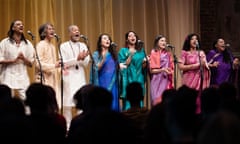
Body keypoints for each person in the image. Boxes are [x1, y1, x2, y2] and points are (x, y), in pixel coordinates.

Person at [59, 24, 90, 130]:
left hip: (80, 77)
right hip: (69, 78)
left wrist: (83, 58)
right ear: (69, 33)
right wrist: (77, 59)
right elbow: (63, 63)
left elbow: (86, 63)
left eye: (78, 30)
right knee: (68, 104)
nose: (77, 32)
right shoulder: (63, 46)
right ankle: (67, 128)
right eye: (74, 30)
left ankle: (81, 128)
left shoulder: (83, 46)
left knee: (81, 102)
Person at [0, 20, 35, 100]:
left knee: (26, 100)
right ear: (13, 28)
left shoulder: (28, 44)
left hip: (22, 75)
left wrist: (23, 58)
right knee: (7, 100)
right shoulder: (4, 43)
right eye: (18, 24)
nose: (21, 26)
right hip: (7, 75)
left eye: (22, 24)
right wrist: (12, 61)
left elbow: (31, 64)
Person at [178, 33, 210, 113]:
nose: (195, 40)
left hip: (199, 79)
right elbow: (181, 67)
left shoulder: (201, 53)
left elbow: (205, 66)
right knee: (188, 98)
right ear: (188, 41)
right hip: (188, 79)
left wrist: (206, 65)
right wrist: (196, 65)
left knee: (198, 98)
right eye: (192, 39)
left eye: (196, 39)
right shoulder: (184, 53)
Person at [90, 33, 120, 112]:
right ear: (100, 42)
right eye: (105, 38)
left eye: (108, 39)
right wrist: (103, 59)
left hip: (113, 83)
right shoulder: (96, 54)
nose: (107, 40)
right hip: (101, 83)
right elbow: (96, 69)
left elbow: (117, 69)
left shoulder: (114, 55)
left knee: (113, 105)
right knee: (102, 105)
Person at [118, 30, 147, 111]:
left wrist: (145, 62)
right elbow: (124, 65)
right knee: (128, 103)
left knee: (139, 101)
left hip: (139, 78)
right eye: (130, 36)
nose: (132, 37)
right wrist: (130, 54)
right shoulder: (123, 51)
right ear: (127, 39)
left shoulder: (141, 51)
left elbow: (143, 67)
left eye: (134, 35)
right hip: (129, 79)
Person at [35, 23, 61, 107]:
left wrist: (61, 69)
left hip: (53, 80)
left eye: (53, 29)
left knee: (53, 105)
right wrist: (54, 66)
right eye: (50, 29)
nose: (52, 31)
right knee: (44, 105)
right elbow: (37, 64)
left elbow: (55, 65)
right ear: (44, 32)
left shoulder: (53, 46)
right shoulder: (40, 45)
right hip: (44, 80)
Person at [148, 35, 174, 106]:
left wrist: (170, 71)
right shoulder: (153, 53)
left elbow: (171, 68)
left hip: (165, 80)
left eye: (165, 41)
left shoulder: (168, 54)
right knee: (156, 101)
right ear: (157, 43)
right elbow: (152, 71)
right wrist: (162, 69)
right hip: (156, 80)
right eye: (162, 41)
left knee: (165, 101)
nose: (164, 42)